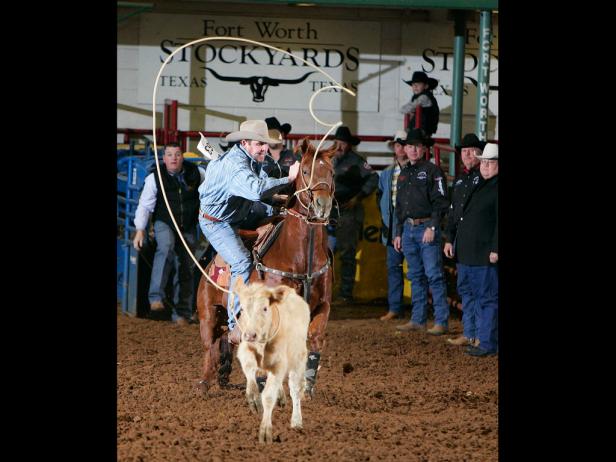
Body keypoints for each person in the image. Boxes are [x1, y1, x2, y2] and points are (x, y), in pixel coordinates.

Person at [198, 120, 300, 345]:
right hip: (217, 222)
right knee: (242, 262)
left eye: (265, 144)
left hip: (239, 209)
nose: (264, 148)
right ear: (244, 142)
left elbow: (267, 174)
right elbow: (255, 190)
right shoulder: (236, 166)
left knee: (279, 220)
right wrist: (289, 179)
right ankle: (236, 323)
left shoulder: (251, 157)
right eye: (259, 144)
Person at [132, 142, 206, 325]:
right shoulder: (154, 177)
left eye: (177, 154)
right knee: (165, 247)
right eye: (170, 154)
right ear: (163, 159)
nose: (174, 157)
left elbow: (209, 194)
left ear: (183, 157)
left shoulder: (198, 174)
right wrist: (140, 229)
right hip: (164, 221)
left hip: (188, 225)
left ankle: (182, 312)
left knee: (187, 264)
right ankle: (155, 298)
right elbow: (145, 204)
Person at [393, 128, 450, 335]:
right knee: (416, 275)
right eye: (410, 146)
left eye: (417, 146)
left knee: (433, 275)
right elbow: (399, 206)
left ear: (424, 149)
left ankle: (441, 320)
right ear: (405, 149)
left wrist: (433, 226)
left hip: (426, 227)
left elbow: (441, 202)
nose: (413, 149)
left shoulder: (433, 171)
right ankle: (418, 319)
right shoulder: (404, 173)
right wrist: (398, 232)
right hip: (408, 228)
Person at [454, 143, 498, 357]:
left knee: (487, 298)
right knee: (471, 295)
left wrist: (496, 248)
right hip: (469, 253)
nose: (486, 166)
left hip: (484, 254)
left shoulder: (494, 187)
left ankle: (487, 342)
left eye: (491, 162)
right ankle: (475, 336)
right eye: (484, 162)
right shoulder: (479, 184)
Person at [328, 125, 379, 303]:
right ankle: (327, 291)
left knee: (347, 252)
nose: (339, 146)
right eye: (337, 143)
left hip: (347, 210)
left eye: (343, 143)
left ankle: (345, 293)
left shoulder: (357, 161)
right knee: (325, 252)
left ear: (349, 145)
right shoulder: (328, 159)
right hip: (328, 210)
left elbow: (373, 178)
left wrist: (359, 197)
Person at [443, 133, 486, 346]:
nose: (467, 154)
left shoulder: (485, 178)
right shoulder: (460, 180)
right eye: (464, 151)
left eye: (471, 150)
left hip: (478, 242)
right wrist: (449, 239)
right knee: (466, 289)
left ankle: (480, 334)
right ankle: (470, 332)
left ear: (479, 153)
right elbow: (452, 213)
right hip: (462, 242)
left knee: (479, 291)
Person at [376, 130, 409, 321]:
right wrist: (386, 220)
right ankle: (395, 307)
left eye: (403, 144)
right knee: (394, 267)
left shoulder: (415, 171)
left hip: (410, 225)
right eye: (398, 145)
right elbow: (380, 197)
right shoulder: (387, 174)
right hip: (392, 227)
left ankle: (417, 311)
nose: (400, 148)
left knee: (415, 269)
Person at [400, 71, 440, 139]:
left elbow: (407, 108)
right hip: (418, 128)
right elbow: (405, 108)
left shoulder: (424, 97)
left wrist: (411, 110)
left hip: (424, 130)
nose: (415, 86)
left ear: (426, 86)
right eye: (413, 84)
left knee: (404, 138)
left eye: (418, 84)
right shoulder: (417, 97)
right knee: (402, 137)